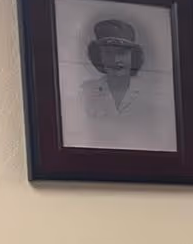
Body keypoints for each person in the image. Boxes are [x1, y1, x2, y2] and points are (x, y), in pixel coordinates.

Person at [74, 18, 176, 152]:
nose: (116, 60)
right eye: (108, 53)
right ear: (100, 57)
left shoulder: (154, 94)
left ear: (133, 56)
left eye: (122, 53)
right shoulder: (84, 93)